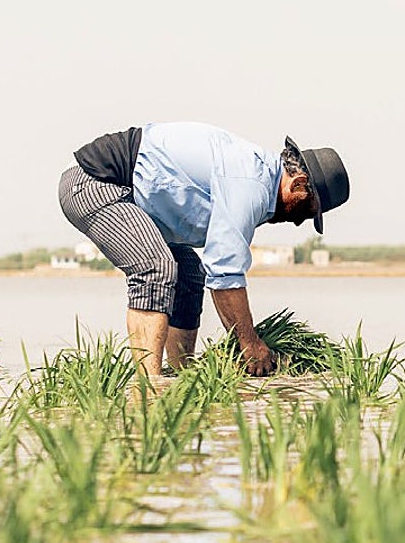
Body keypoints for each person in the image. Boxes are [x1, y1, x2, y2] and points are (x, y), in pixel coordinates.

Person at [58, 122, 349, 377]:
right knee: (155, 267)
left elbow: (214, 267)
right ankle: (148, 390)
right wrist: (250, 344)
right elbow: (225, 274)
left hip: (135, 199)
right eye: (308, 210)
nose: (300, 222)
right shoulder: (251, 183)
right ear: (298, 183)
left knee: (190, 274)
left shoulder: (254, 178)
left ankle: (181, 377)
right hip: (94, 183)